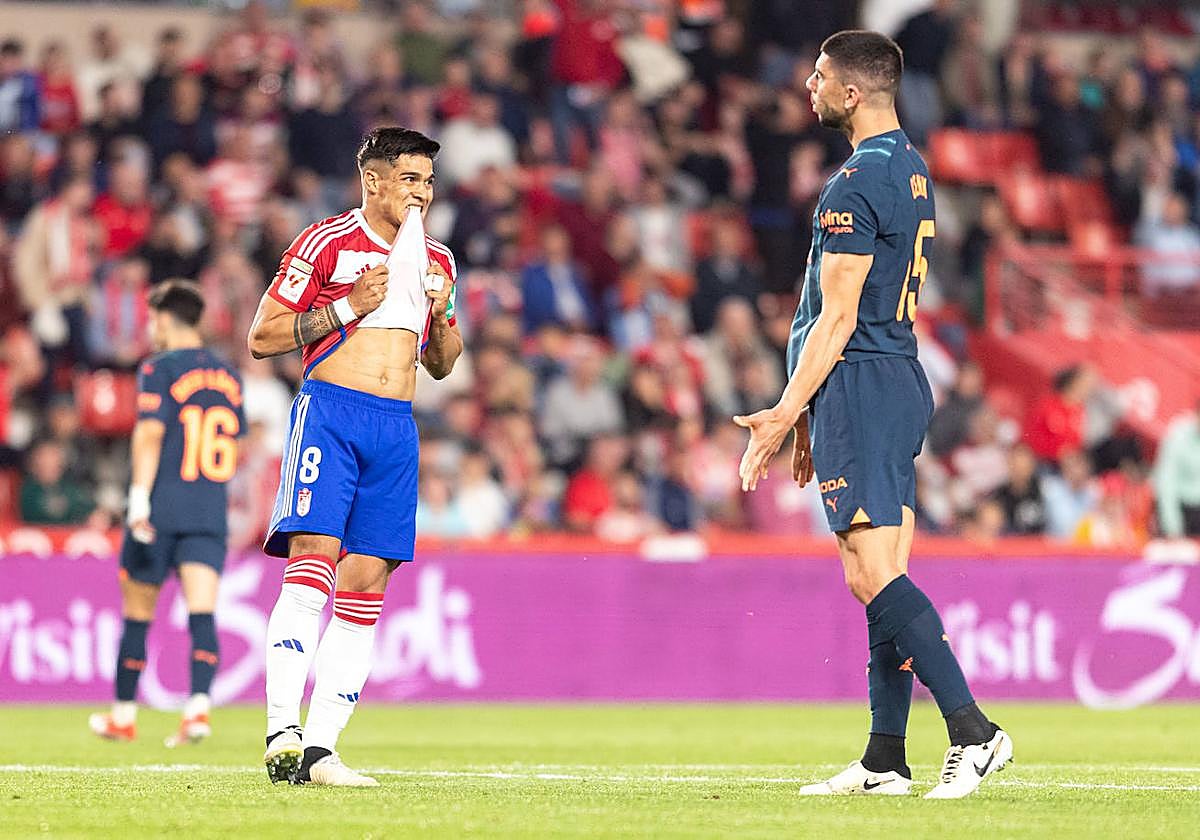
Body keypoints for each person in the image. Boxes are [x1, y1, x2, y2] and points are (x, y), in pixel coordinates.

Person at [734, 31, 1011, 800]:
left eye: (820, 76)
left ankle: (975, 732)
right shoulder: (912, 169)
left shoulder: (853, 184)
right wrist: (811, 412)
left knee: (870, 575)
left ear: (851, 93)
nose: (809, 86)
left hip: (860, 380)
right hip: (891, 378)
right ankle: (885, 757)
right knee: (885, 571)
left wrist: (787, 409)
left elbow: (837, 316)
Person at [247, 126, 462, 787]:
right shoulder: (328, 242)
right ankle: (281, 729)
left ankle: (321, 751)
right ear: (374, 181)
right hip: (332, 415)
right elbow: (262, 337)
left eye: (428, 181)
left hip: (396, 429)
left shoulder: (439, 260)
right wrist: (347, 305)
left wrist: (441, 313)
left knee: (367, 582)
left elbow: (443, 363)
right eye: (409, 179)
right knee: (313, 559)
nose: (421, 193)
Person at [88, 281, 245, 747]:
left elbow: (150, 435)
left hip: (161, 509)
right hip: (209, 510)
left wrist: (138, 499)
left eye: (153, 317)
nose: (151, 327)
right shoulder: (229, 375)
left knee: (138, 614)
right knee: (203, 613)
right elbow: (234, 443)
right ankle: (197, 710)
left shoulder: (158, 368)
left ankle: (123, 715)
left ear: (167, 319)